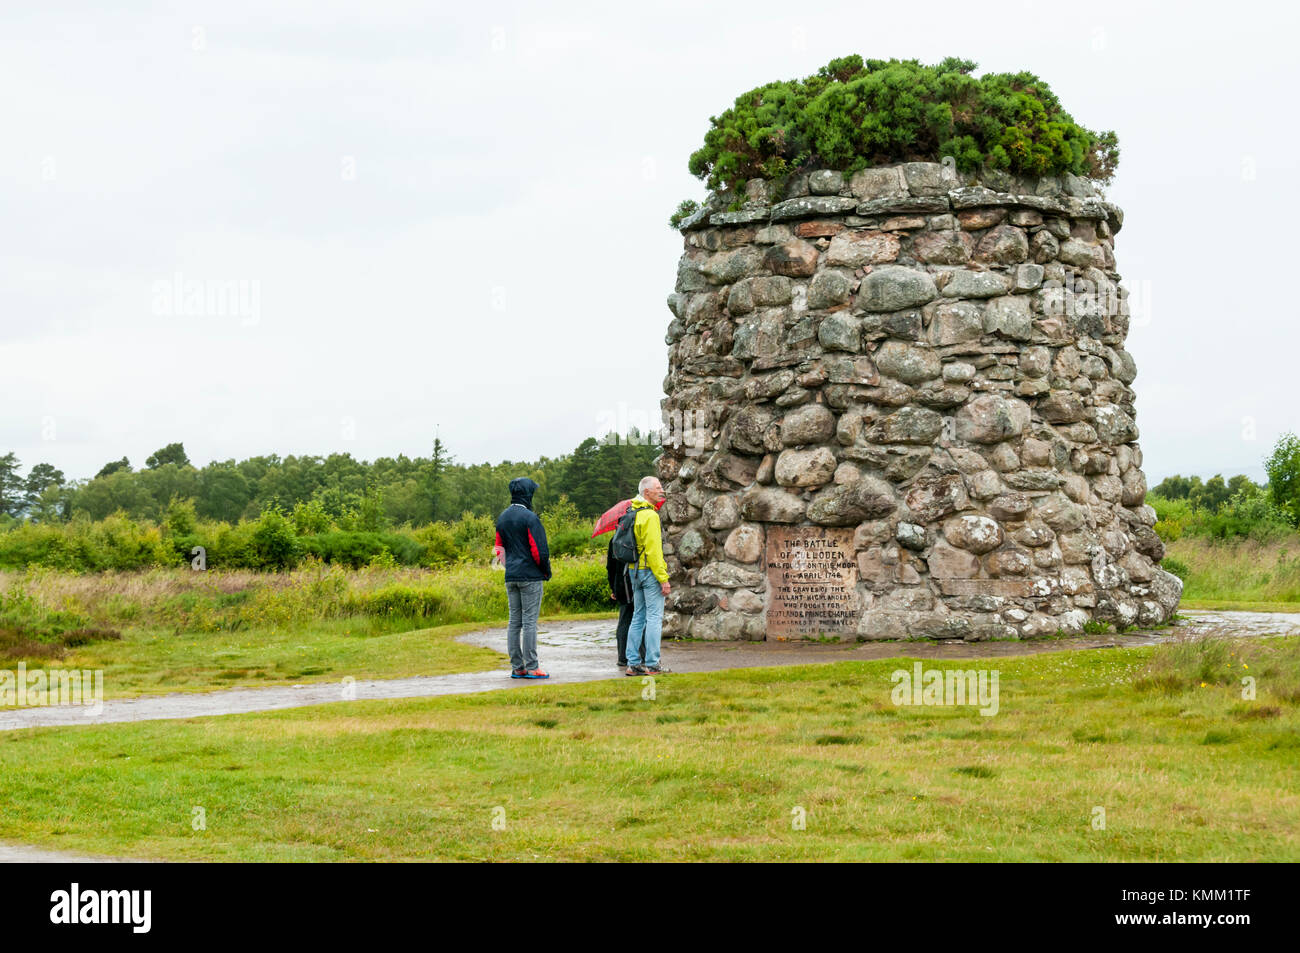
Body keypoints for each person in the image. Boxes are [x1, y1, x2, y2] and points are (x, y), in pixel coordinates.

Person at [493, 477, 552, 679]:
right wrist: (545, 571)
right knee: (529, 622)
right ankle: (532, 666)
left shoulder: (502, 518)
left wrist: (510, 567)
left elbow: (498, 550)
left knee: (514, 622)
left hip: (511, 576)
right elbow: (539, 551)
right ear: (528, 494)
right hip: (530, 576)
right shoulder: (530, 518)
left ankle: (517, 667)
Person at [624, 475, 671, 676]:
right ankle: (653, 663)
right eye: (658, 488)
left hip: (634, 571)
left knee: (638, 617)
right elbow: (653, 551)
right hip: (649, 572)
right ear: (647, 492)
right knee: (654, 617)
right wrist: (663, 578)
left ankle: (633, 663)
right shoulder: (651, 516)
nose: (662, 490)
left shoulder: (632, 512)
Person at [606, 535, 634, 668]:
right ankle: (635, 655)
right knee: (636, 620)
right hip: (632, 581)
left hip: (620, 584)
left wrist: (614, 588)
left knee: (624, 619)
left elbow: (610, 567)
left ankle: (622, 656)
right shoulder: (633, 536)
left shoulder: (614, 539)